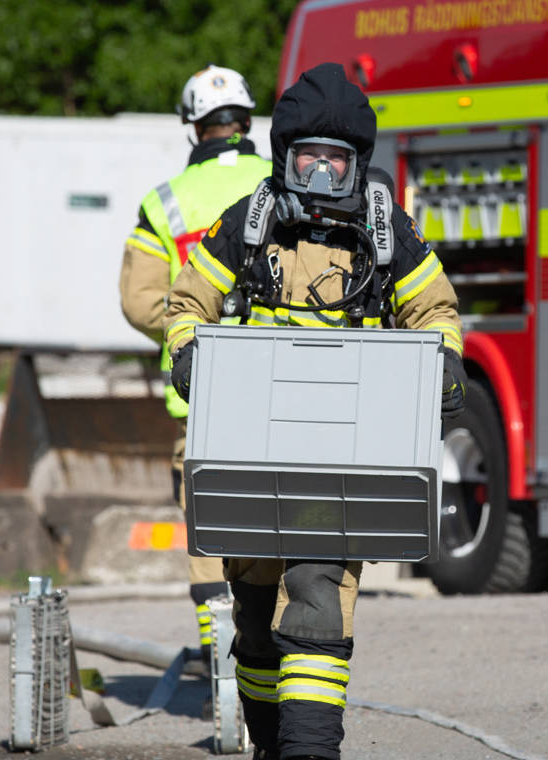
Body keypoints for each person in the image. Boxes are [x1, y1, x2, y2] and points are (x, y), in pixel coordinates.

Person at [163, 62, 466, 760]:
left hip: (342, 462)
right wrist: (186, 353)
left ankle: (310, 748)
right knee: (257, 624)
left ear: (358, 164)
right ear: (283, 159)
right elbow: (188, 303)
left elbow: (435, 309)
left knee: (318, 596)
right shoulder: (249, 224)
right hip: (253, 454)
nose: (324, 177)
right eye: (309, 161)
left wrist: (445, 362)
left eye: (337, 162)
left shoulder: (389, 235)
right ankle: (272, 741)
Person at [120, 64, 273, 664]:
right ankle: (286, 654)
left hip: (202, 395)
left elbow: (137, 302)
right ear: (246, 121)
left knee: (210, 529)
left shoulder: (164, 203)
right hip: (279, 386)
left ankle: (221, 662)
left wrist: (199, 320)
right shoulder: (283, 182)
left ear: (193, 129)